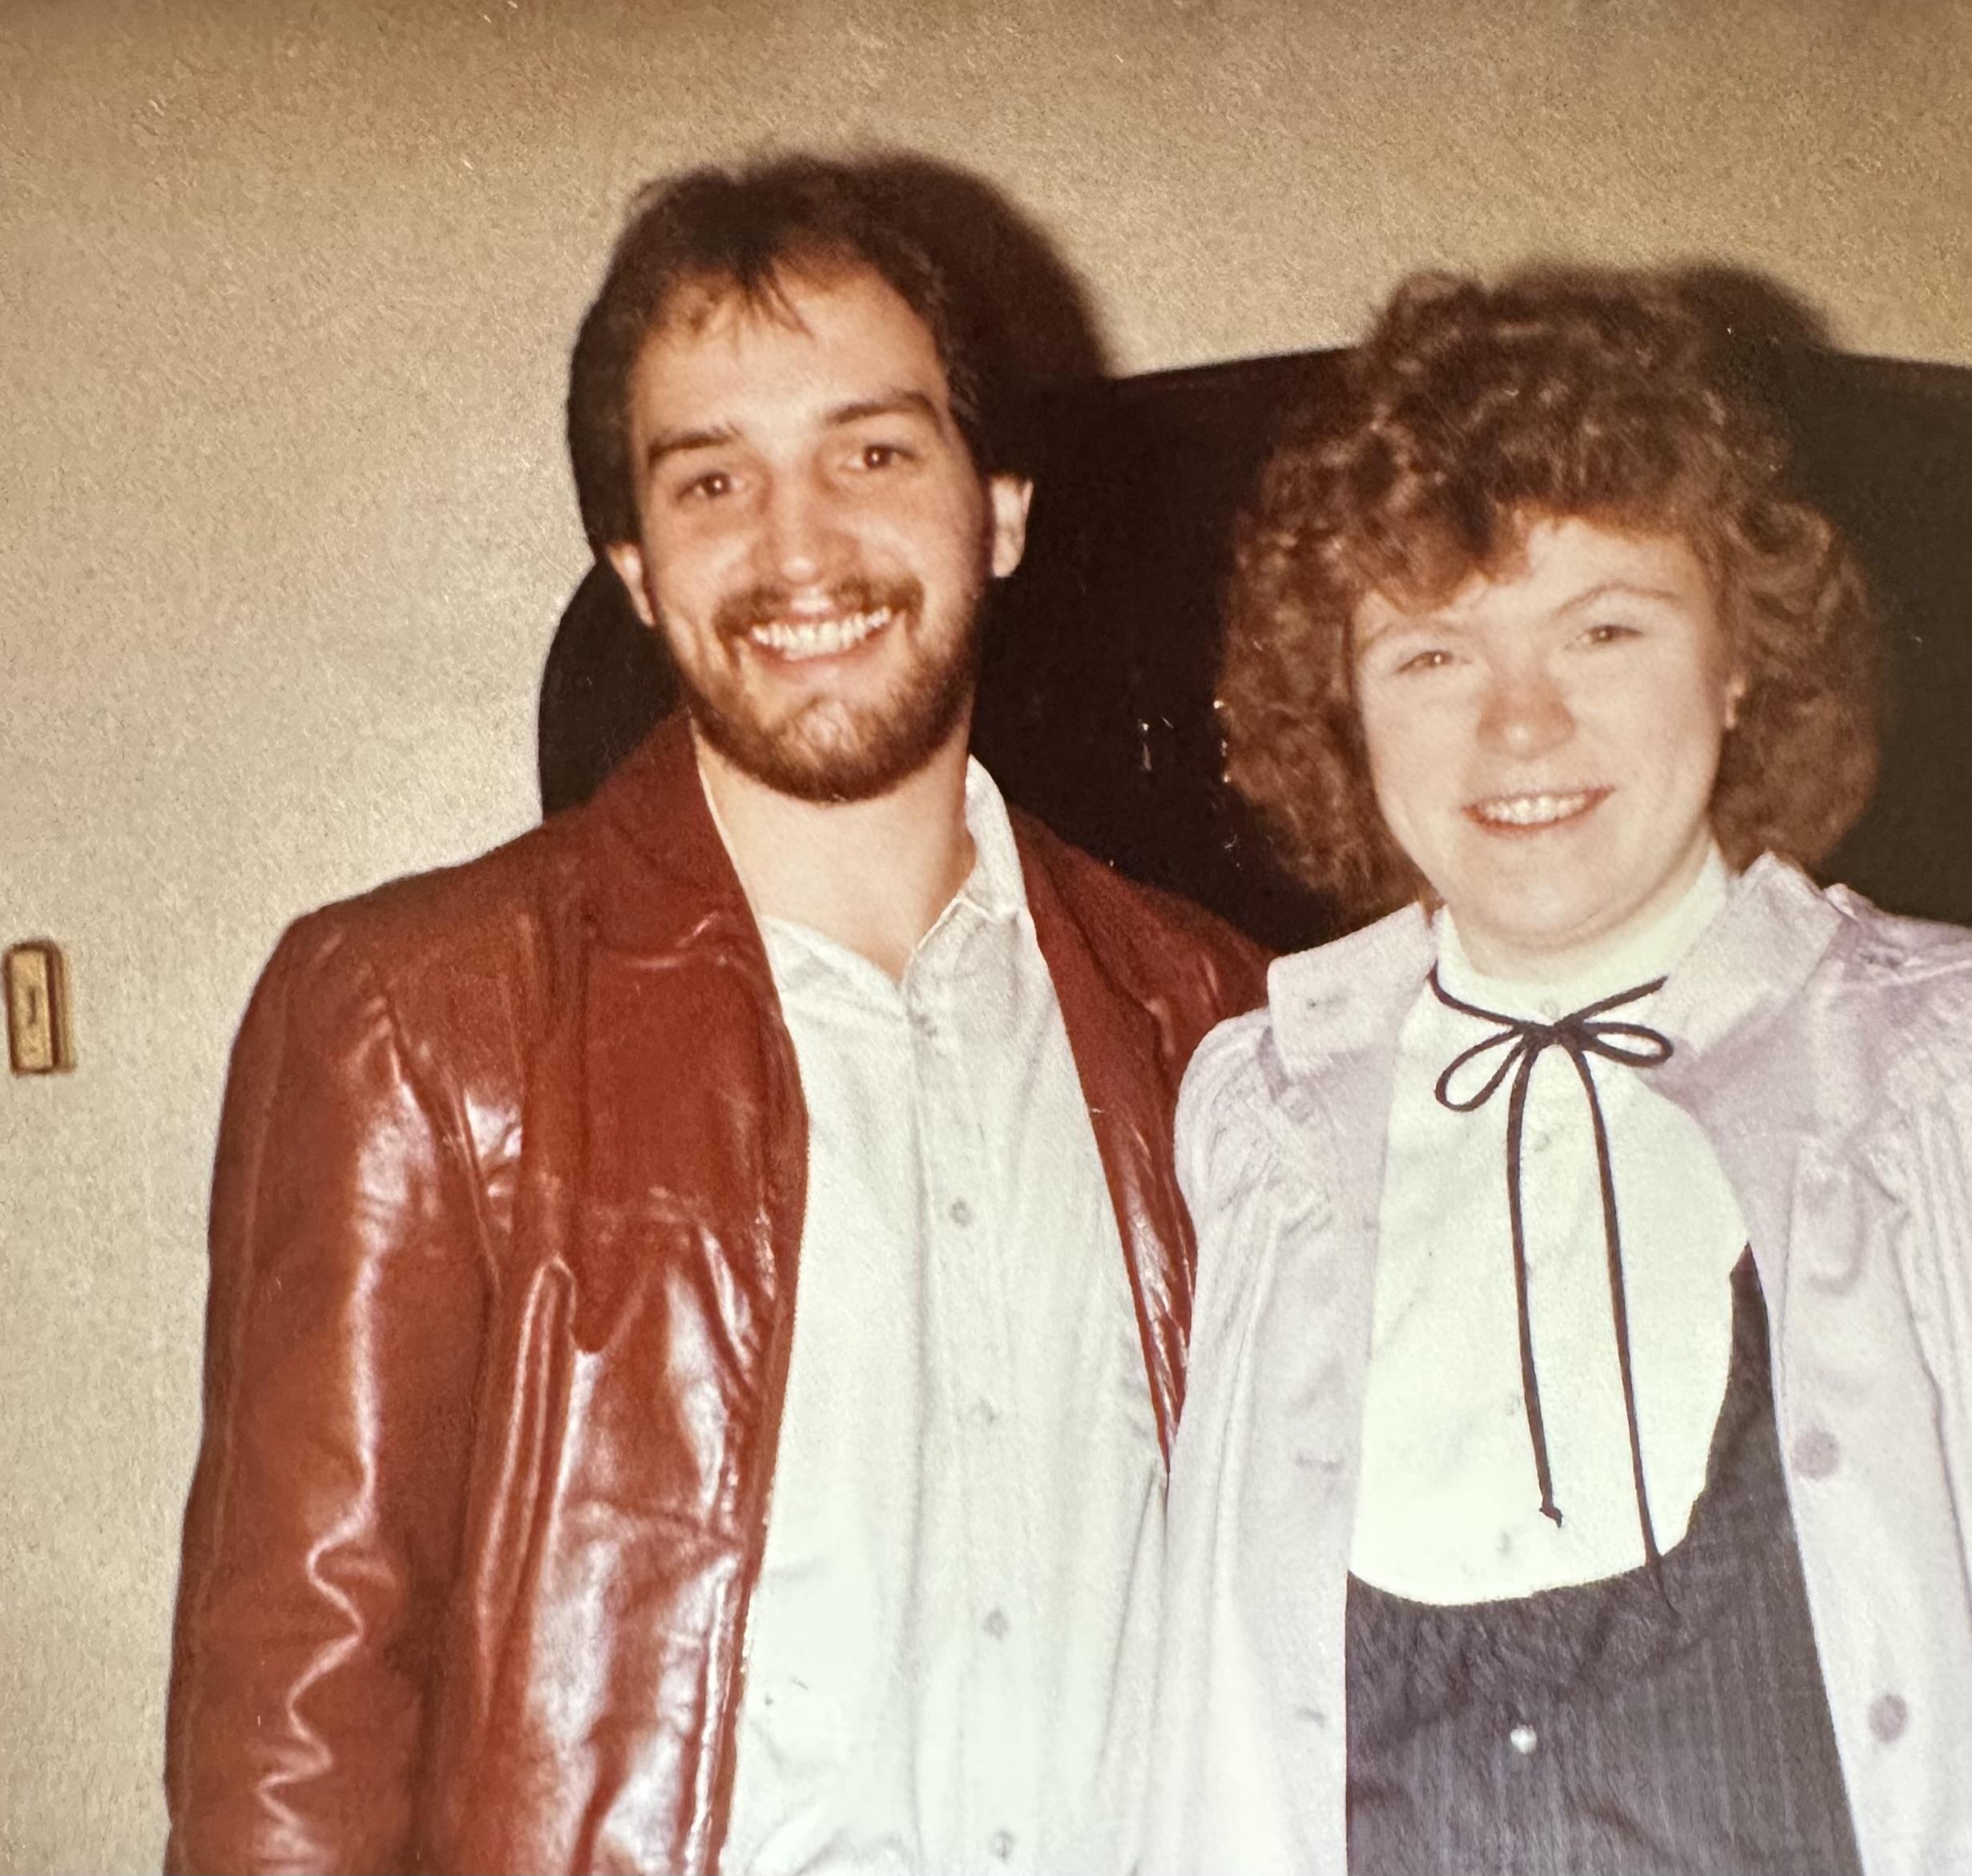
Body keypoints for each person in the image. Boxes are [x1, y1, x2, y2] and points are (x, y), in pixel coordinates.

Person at [1147, 271, 1972, 1876]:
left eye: (1605, 628)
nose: (1520, 722)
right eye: (1432, 654)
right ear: (1345, 703)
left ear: (1738, 660)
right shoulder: (1260, 1110)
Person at [164, 152, 1265, 1875]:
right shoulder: (417, 1022)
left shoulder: (1215, 1020)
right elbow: (292, 1735)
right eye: (712, 481)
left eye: (873, 453)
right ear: (633, 563)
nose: (798, 546)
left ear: (1001, 507)